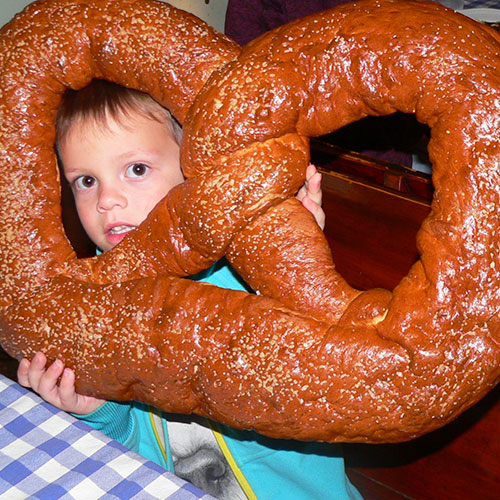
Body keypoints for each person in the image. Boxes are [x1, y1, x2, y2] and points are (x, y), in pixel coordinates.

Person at [18, 79, 362, 500]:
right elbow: (138, 452)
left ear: (194, 173)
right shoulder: (99, 305)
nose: (107, 199)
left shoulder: (245, 275)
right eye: (86, 181)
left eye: (137, 170)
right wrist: (97, 411)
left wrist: (294, 264)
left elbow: (327, 368)